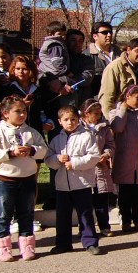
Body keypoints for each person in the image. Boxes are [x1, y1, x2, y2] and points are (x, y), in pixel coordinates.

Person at [0, 95, 48, 261]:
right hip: (5, 180)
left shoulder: (31, 132)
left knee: (26, 213)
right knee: (4, 213)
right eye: (17, 111)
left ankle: (27, 246)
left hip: (27, 179)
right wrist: (10, 153)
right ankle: (3, 247)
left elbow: (43, 149)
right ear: (5, 113)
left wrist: (32, 150)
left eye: (24, 111)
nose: (22, 115)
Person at [46, 106, 102, 254]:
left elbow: (94, 156)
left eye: (73, 119)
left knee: (85, 213)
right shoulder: (56, 140)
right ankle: (63, 243)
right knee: (62, 215)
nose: (70, 122)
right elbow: (48, 159)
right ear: (60, 122)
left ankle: (90, 242)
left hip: (82, 183)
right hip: (62, 185)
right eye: (66, 120)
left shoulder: (87, 136)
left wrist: (75, 163)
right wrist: (57, 159)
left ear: (78, 120)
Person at [109, 85, 138, 232]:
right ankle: (126, 220)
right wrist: (123, 109)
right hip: (124, 159)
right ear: (127, 97)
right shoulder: (116, 112)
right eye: (137, 98)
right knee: (125, 193)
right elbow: (117, 128)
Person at [81, 98, 115, 237]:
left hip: (100, 168)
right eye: (94, 113)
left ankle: (104, 226)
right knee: (85, 201)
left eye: (99, 113)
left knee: (101, 200)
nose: (98, 115)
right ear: (86, 114)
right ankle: (84, 228)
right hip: (84, 169)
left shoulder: (104, 128)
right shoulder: (79, 128)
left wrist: (106, 154)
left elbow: (110, 145)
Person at [98, 38, 138, 118]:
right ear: (128, 50)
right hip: (121, 116)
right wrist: (110, 121)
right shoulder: (114, 67)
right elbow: (107, 97)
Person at [89, 21, 122, 99]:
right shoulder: (87, 56)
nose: (109, 35)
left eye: (110, 32)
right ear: (95, 36)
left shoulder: (121, 54)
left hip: (119, 101)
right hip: (99, 102)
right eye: (105, 32)